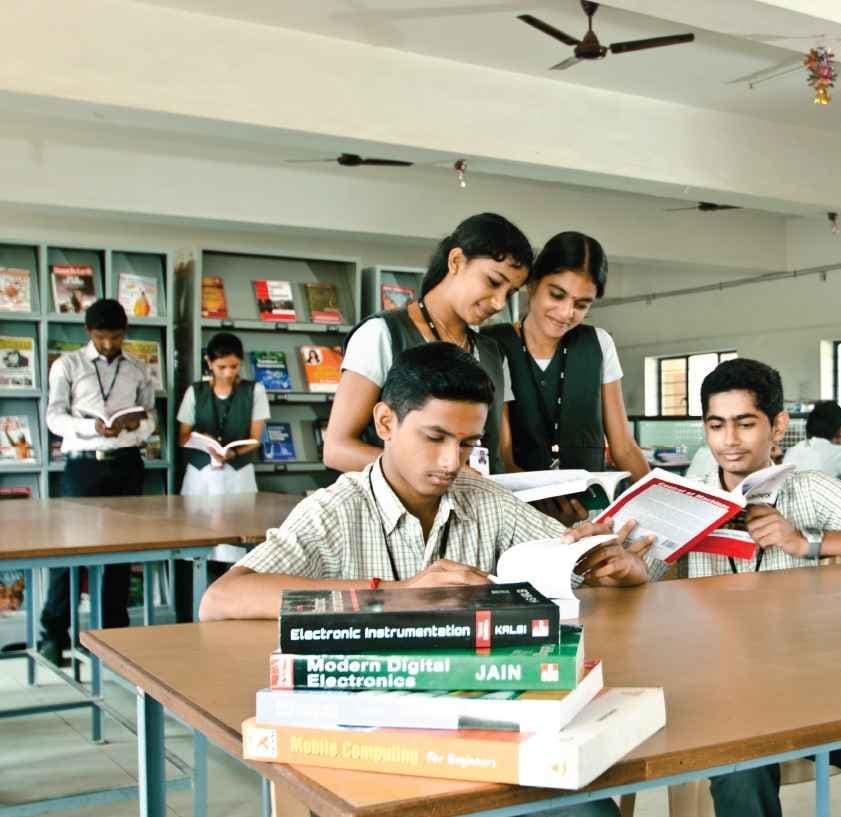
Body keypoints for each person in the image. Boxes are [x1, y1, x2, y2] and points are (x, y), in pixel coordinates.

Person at [201, 344, 642, 817]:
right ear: (386, 423)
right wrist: (398, 595)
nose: (453, 461)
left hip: (483, 731)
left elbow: (569, 555)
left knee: (589, 811)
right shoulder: (334, 511)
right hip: (372, 742)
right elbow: (222, 599)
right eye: (435, 437)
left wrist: (614, 568)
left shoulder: (483, 498)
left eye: (468, 443)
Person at [648, 359, 841, 817]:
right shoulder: (684, 498)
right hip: (722, 685)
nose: (729, 441)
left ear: (777, 426)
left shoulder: (809, 490)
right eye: (716, 425)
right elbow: (636, 573)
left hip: (814, 679)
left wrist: (807, 542)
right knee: (741, 770)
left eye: (745, 424)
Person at [326, 213, 533, 475]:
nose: (499, 303)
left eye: (511, 293)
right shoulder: (382, 334)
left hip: (478, 512)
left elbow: (503, 461)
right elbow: (337, 450)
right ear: (456, 261)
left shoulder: (493, 354)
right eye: (493, 282)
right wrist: (442, 471)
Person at [482, 231, 649, 520]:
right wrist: (541, 512)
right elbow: (504, 456)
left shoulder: (599, 343)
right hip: (518, 515)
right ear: (532, 284)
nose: (566, 313)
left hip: (591, 516)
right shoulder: (491, 345)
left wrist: (658, 503)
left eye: (582, 304)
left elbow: (623, 447)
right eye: (556, 295)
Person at [41, 299, 156, 665]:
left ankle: (113, 641)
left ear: (125, 333)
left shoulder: (139, 367)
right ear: (89, 333)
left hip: (125, 463)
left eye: (117, 337)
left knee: (121, 557)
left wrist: (140, 426)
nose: (109, 345)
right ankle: (54, 635)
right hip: (84, 465)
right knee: (68, 553)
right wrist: (90, 426)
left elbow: (151, 414)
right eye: (103, 337)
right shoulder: (68, 365)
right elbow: (54, 417)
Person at [173, 332, 270, 621]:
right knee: (199, 545)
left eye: (234, 367)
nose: (228, 373)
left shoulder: (254, 391)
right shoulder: (195, 392)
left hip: (237, 474)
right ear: (209, 364)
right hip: (201, 476)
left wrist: (231, 453)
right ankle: (196, 612)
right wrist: (206, 446)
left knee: (236, 548)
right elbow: (182, 437)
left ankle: (230, 614)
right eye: (221, 367)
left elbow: (255, 437)